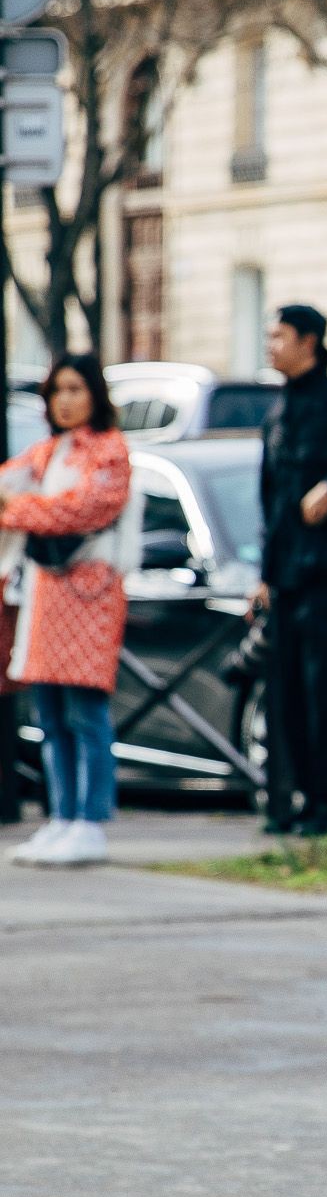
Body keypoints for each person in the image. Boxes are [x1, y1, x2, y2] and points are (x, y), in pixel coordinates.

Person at [0, 354, 134, 867]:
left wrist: (18, 510)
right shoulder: (47, 450)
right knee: (51, 714)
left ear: (95, 394)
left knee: (86, 710)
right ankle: (61, 816)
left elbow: (82, 508)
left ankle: (91, 820)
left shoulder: (109, 452)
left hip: (89, 593)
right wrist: (23, 506)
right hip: (46, 593)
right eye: (57, 390)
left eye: (75, 388)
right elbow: (9, 485)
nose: (65, 399)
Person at [250, 305, 327, 836]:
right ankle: (287, 804)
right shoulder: (277, 410)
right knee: (285, 695)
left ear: (309, 340)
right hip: (286, 578)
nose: (271, 344)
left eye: (280, 336)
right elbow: (269, 501)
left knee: (324, 696)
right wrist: (263, 577)